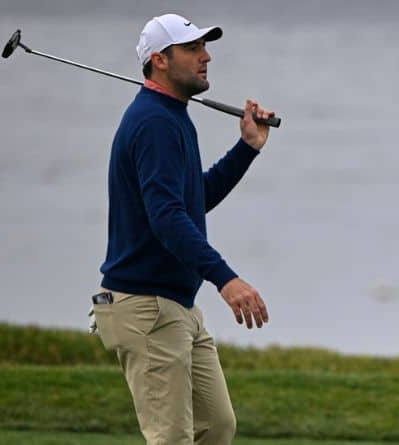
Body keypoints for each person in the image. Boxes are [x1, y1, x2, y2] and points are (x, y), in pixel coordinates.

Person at [93, 13, 272, 445]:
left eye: (203, 47)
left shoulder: (171, 116)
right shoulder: (155, 122)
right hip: (147, 307)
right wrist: (225, 279)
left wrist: (246, 149)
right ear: (160, 60)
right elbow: (168, 218)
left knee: (216, 427)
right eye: (192, 49)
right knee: (172, 439)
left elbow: (192, 202)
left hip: (176, 307)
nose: (206, 56)